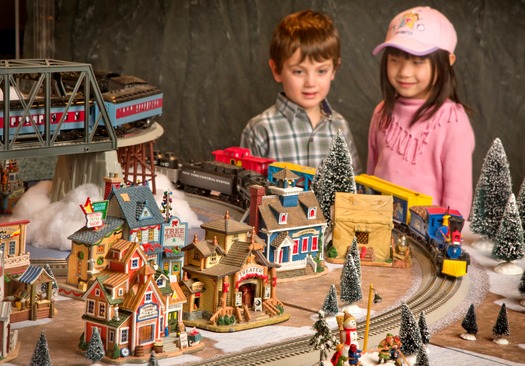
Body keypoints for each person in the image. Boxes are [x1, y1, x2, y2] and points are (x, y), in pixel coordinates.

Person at [367, 6, 475, 218]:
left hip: (426, 238)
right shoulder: (381, 112)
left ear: (447, 62)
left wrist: (444, 241)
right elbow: (370, 178)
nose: (404, 72)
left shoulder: (453, 121)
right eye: (395, 60)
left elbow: (457, 202)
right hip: (379, 230)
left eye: (417, 62)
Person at [240, 9, 362, 172]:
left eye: (321, 71)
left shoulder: (340, 126)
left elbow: (355, 184)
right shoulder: (260, 129)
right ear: (276, 70)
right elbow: (248, 188)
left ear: (334, 70)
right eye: (299, 71)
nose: (310, 83)